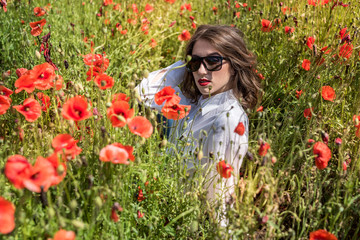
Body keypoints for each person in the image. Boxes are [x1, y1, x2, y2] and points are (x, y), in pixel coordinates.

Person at [135, 25, 262, 226]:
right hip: (163, 210)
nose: (201, 71)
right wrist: (184, 65)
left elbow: (220, 198)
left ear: (235, 64)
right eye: (195, 63)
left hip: (185, 223)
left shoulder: (227, 119)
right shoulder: (193, 100)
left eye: (213, 61)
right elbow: (142, 93)